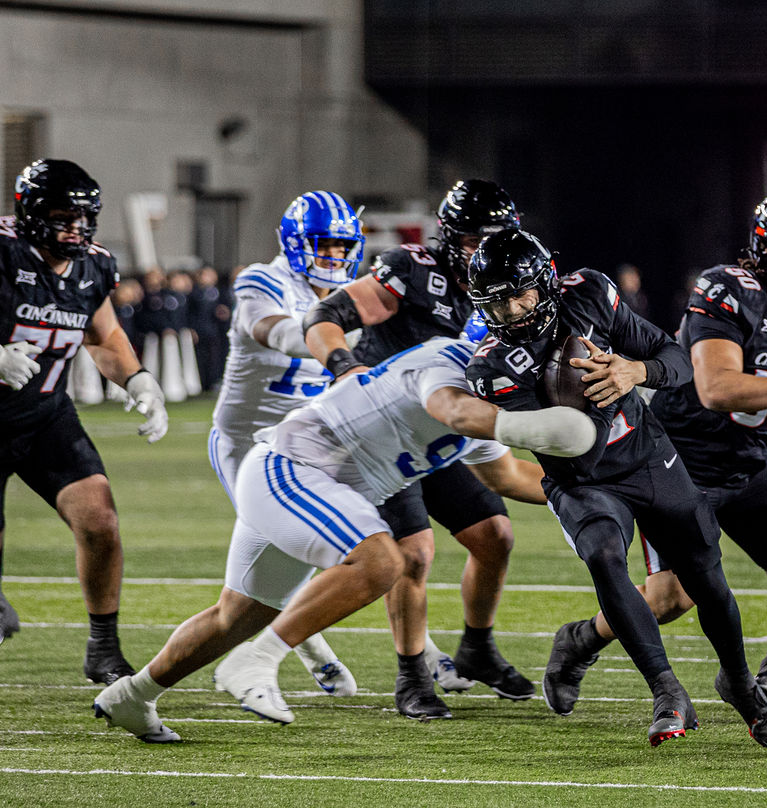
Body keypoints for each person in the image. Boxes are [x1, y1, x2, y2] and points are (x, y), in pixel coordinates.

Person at [92, 335, 595, 742]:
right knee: (382, 561)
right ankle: (257, 660)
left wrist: (598, 489)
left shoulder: (492, 407)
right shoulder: (447, 361)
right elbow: (457, 412)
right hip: (291, 468)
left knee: (236, 615)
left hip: (311, 485)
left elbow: (509, 479)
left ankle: (133, 696)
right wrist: (535, 425)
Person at [554, 192, 767, 721]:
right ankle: (580, 641)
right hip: (686, 458)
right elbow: (716, 387)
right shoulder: (728, 289)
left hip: (750, 458)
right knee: (671, 598)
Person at [466, 228, 767, 748]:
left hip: (645, 454)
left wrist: (634, 369)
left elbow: (675, 360)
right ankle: (666, 690)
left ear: (545, 280)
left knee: (705, 575)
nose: (510, 312)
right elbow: (577, 448)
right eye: (496, 303)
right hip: (582, 478)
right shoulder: (493, 367)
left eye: (518, 294)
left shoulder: (588, 292)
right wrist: (598, 393)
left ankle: (740, 682)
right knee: (602, 552)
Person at [303, 179, 533, 718]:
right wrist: (344, 367)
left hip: (445, 433)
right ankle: (411, 675)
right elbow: (325, 317)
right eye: (477, 240)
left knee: (495, 535)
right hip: (384, 434)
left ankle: (476, 647)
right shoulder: (413, 270)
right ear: (452, 238)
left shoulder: (511, 285)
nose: (488, 252)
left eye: (498, 239)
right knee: (413, 552)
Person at [0, 159, 168, 683]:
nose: (75, 227)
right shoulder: (3, 253)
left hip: (46, 414)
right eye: (62, 216)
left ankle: (103, 647)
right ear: (30, 214)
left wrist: (138, 379)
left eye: (82, 217)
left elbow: (102, 334)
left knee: (100, 521)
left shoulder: (94, 266)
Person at [209, 191, 366, 698]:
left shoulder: (356, 294)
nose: (336, 259)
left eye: (344, 249)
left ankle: (415, 655)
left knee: (370, 545)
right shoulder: (265, 279)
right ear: (297, 243)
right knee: (281, 551)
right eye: (326, 247)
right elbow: (272, 330)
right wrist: (332, 340)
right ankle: (310, 650)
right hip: (247, 445)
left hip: (310, 449)